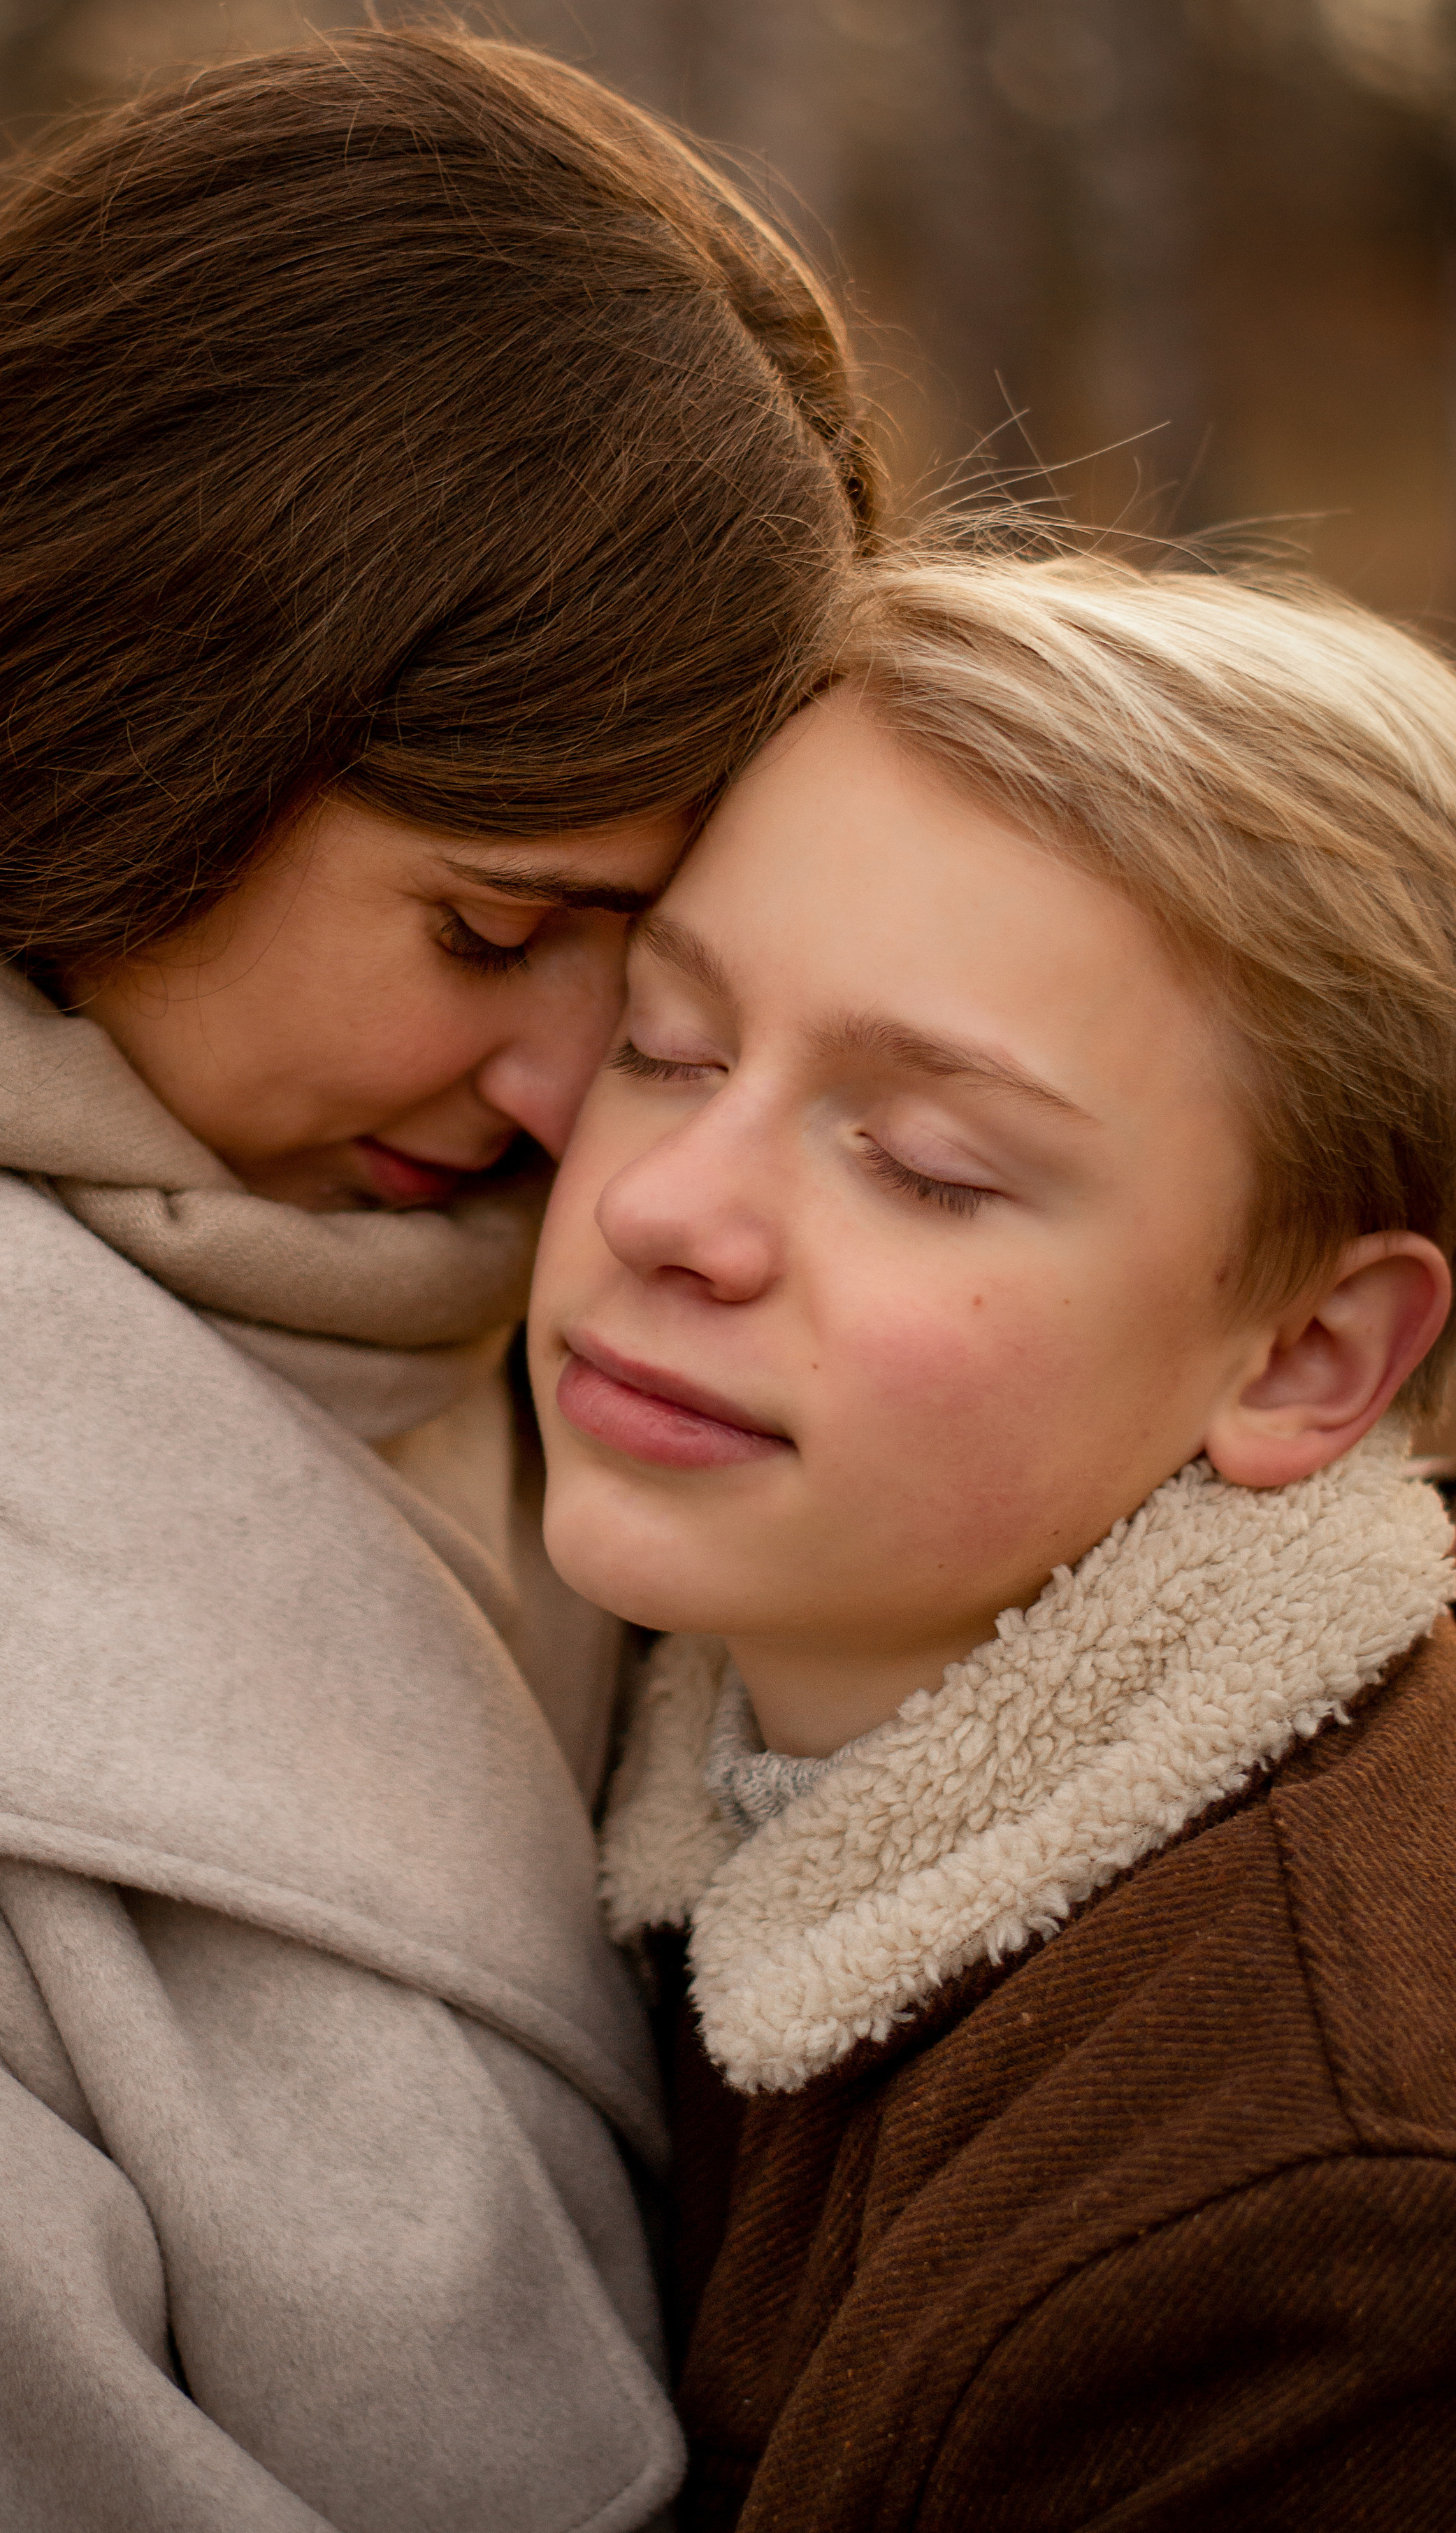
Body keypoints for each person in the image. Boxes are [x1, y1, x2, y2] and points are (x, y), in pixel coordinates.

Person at [0, 26, 873, 2530]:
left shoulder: (451, 1270)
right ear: (116, 706)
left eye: (645, 958)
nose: (581, 1098)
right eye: (492, 924)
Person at [530, 545, 1456, 2530]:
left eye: (926, 1167)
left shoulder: (1335, 2221)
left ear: (1307, 1356)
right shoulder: (682, 1711)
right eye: (668, 1047)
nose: (665, 1205)